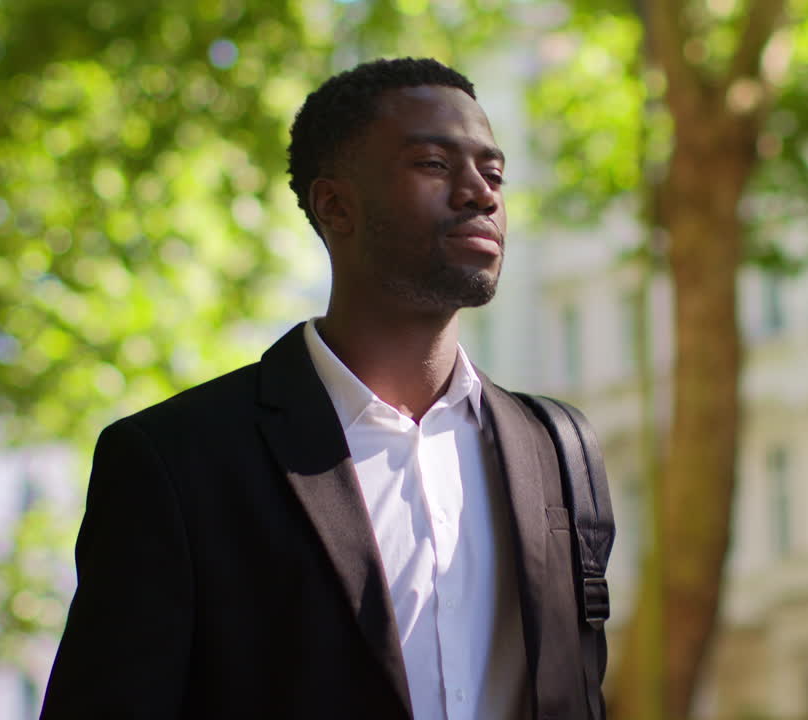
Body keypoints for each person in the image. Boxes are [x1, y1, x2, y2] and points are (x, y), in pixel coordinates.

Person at [40, 57, 608, 719]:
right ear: (335, 205)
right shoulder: (174, 462)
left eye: (494, 173)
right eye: (433, 164)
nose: (480, 194)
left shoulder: (560, 450)